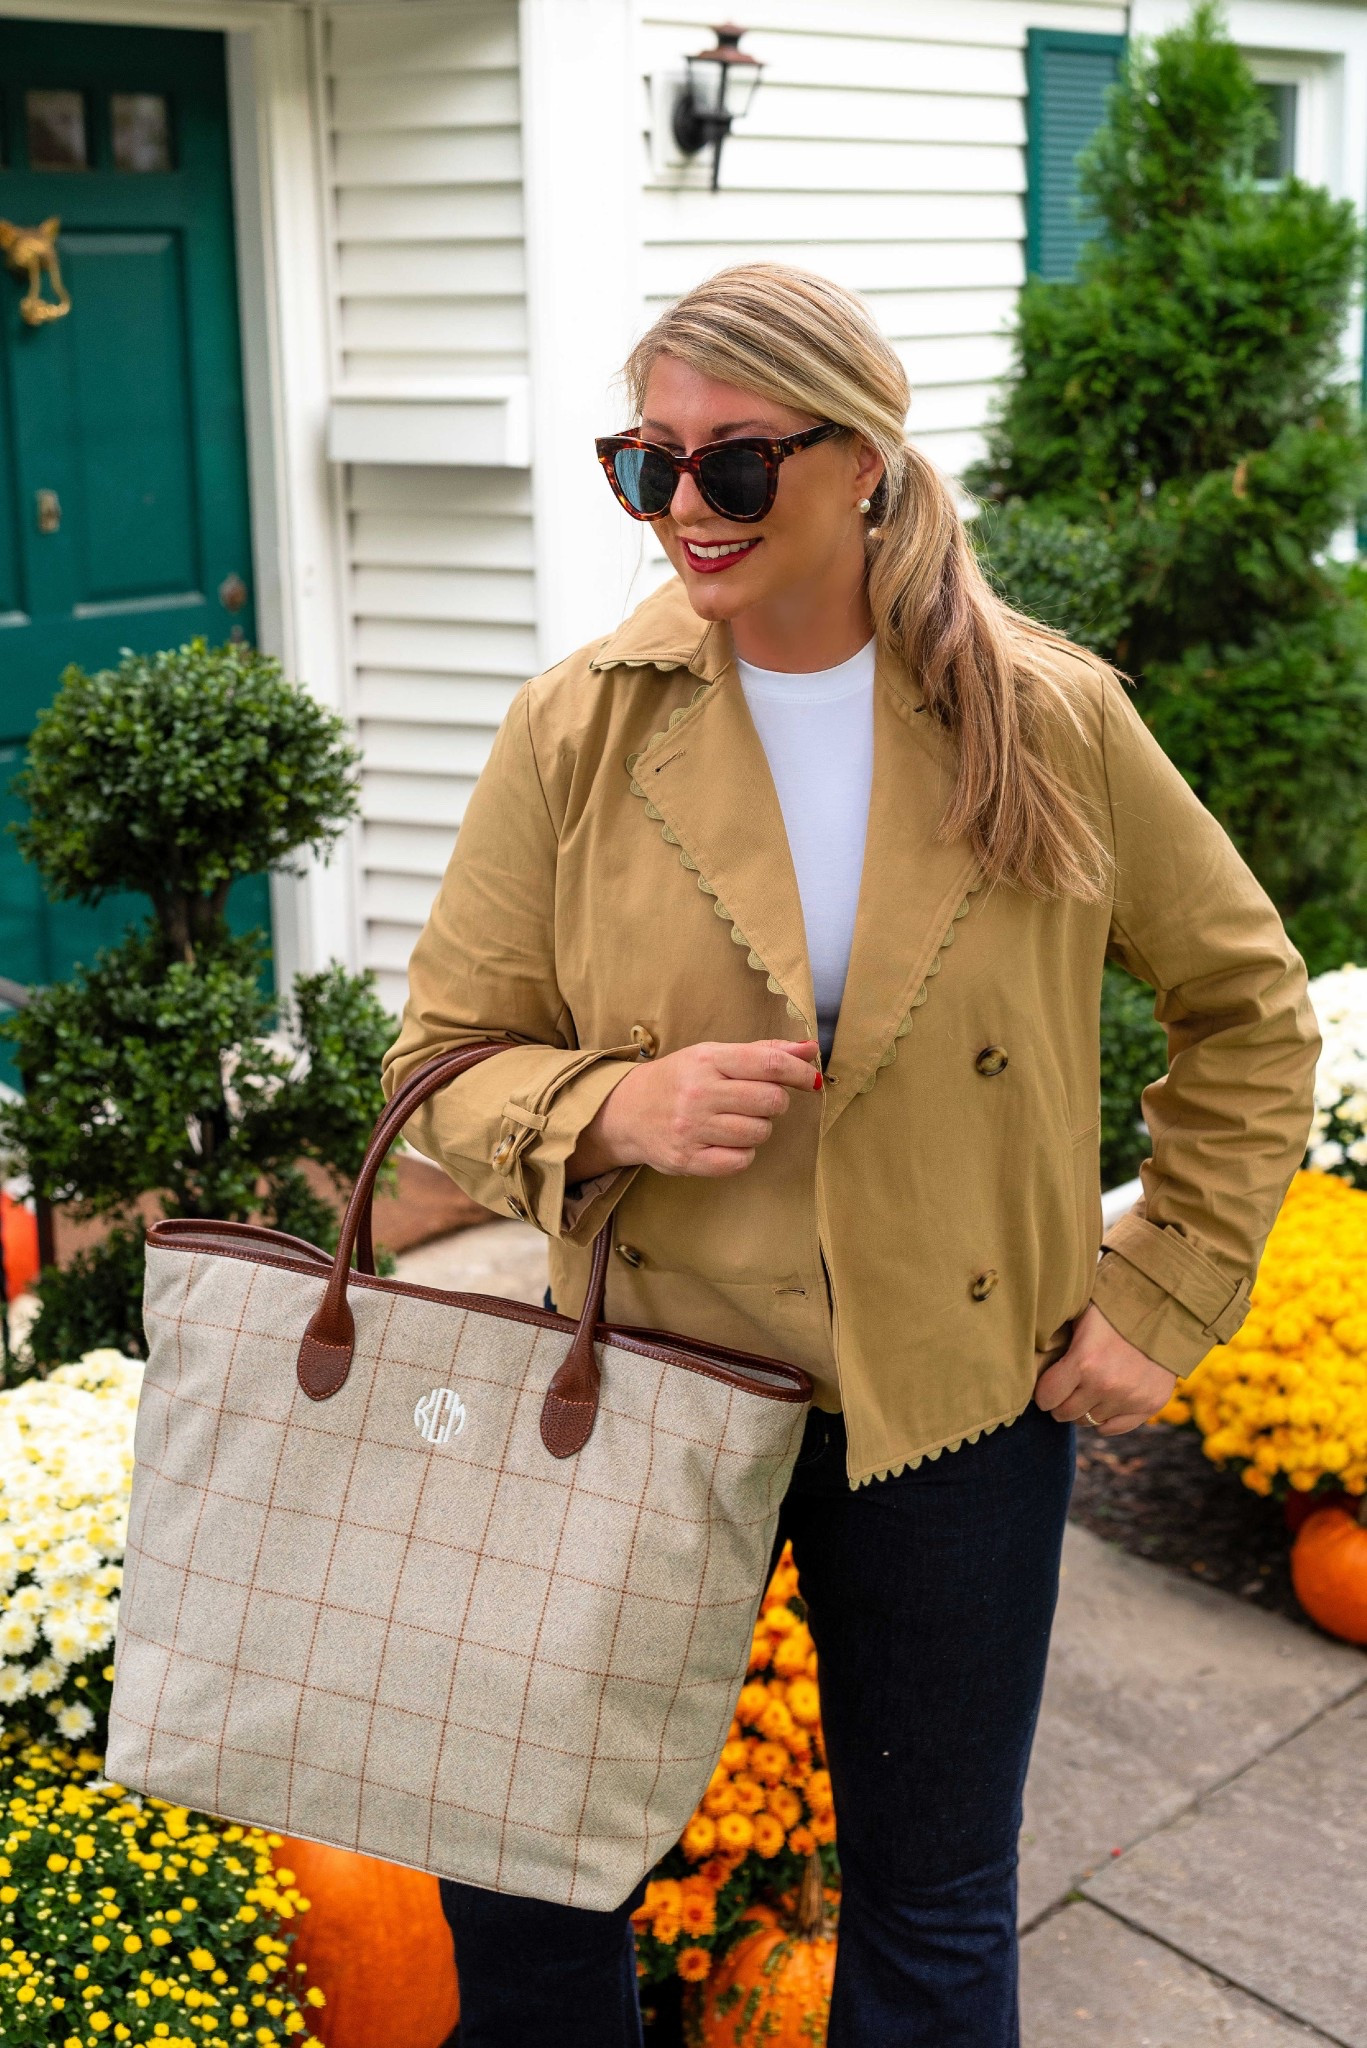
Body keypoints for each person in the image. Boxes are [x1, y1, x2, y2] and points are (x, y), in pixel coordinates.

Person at [381, 263, 1318, 2047]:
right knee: (524, 1865)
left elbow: (1249, 1007)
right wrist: (610, 1113)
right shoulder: (579, 727)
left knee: (937, 1901)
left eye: (734, 467)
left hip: (957, 1395)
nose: (684, 511)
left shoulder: (1043, 717)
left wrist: (1163, 1287)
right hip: (644, 1371)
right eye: (644, 464)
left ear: (865, 462)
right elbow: (437, 1060)